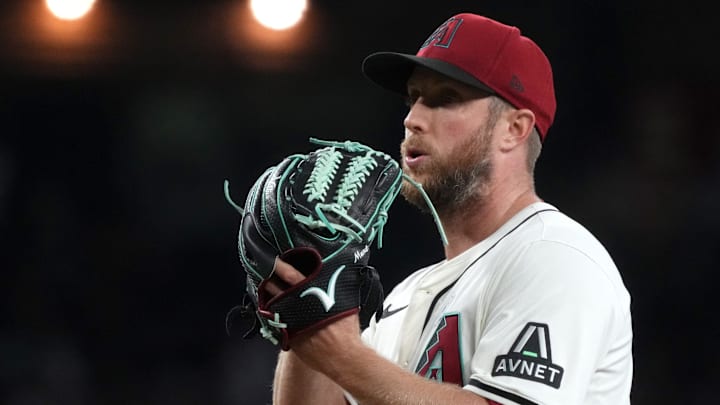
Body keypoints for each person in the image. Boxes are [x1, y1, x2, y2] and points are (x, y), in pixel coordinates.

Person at [264, 12, 633, 405]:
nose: (412, 118)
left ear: (515, 128)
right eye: (414, 98)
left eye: (445, 99)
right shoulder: (405, 296)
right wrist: (309, 311)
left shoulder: (555, 257)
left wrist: (343, 356)